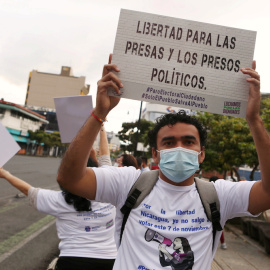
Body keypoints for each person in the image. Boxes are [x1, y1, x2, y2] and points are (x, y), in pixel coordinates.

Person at [57, 58, 270, 269]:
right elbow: (69, 179)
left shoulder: (220, 197)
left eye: (188, 142)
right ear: (155, 155)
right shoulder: (128, 183)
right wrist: (100, 113)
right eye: (169, 143)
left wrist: (254, 120)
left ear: (201, 154)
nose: (179, 148)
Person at [0, 126, 117, 270]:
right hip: (110, 261)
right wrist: (101, 126)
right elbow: (105, 157)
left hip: (72, 261)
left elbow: (30, 191)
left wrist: (6, 174)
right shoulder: (109, 189)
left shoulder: (60, 201)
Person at [209, 176, 227, 249]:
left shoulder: (210, 190)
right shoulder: (221, 190)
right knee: (219, 228)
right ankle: (223, 243)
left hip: (212, 212)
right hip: (218, 213)